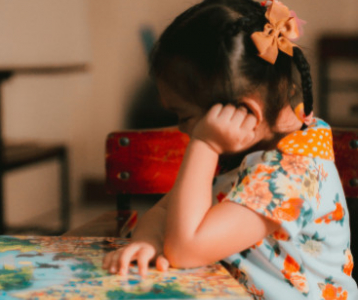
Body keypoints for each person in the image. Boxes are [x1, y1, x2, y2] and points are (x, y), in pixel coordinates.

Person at [103, 0, 358, 298]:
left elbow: (185, 249)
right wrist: (147, 241)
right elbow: (164, 209)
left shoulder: (292, 176)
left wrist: (204, 144)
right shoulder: (252, 147)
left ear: (245, 113)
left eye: (184, 117)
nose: (182, 130)